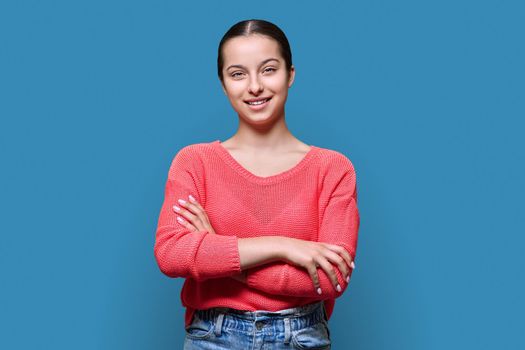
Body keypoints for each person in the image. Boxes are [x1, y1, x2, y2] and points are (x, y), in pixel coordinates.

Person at [154, 19, 360, 349]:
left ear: (290, 74)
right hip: (212, 336)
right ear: (223, 83)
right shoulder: (194, 161)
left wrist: (218, 251)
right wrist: (281, 245)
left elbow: (328, 279)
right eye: (238, 74)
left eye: (268, 70)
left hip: (301, 337)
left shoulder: (333, 169)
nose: (254, 87)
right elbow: (171, 254)